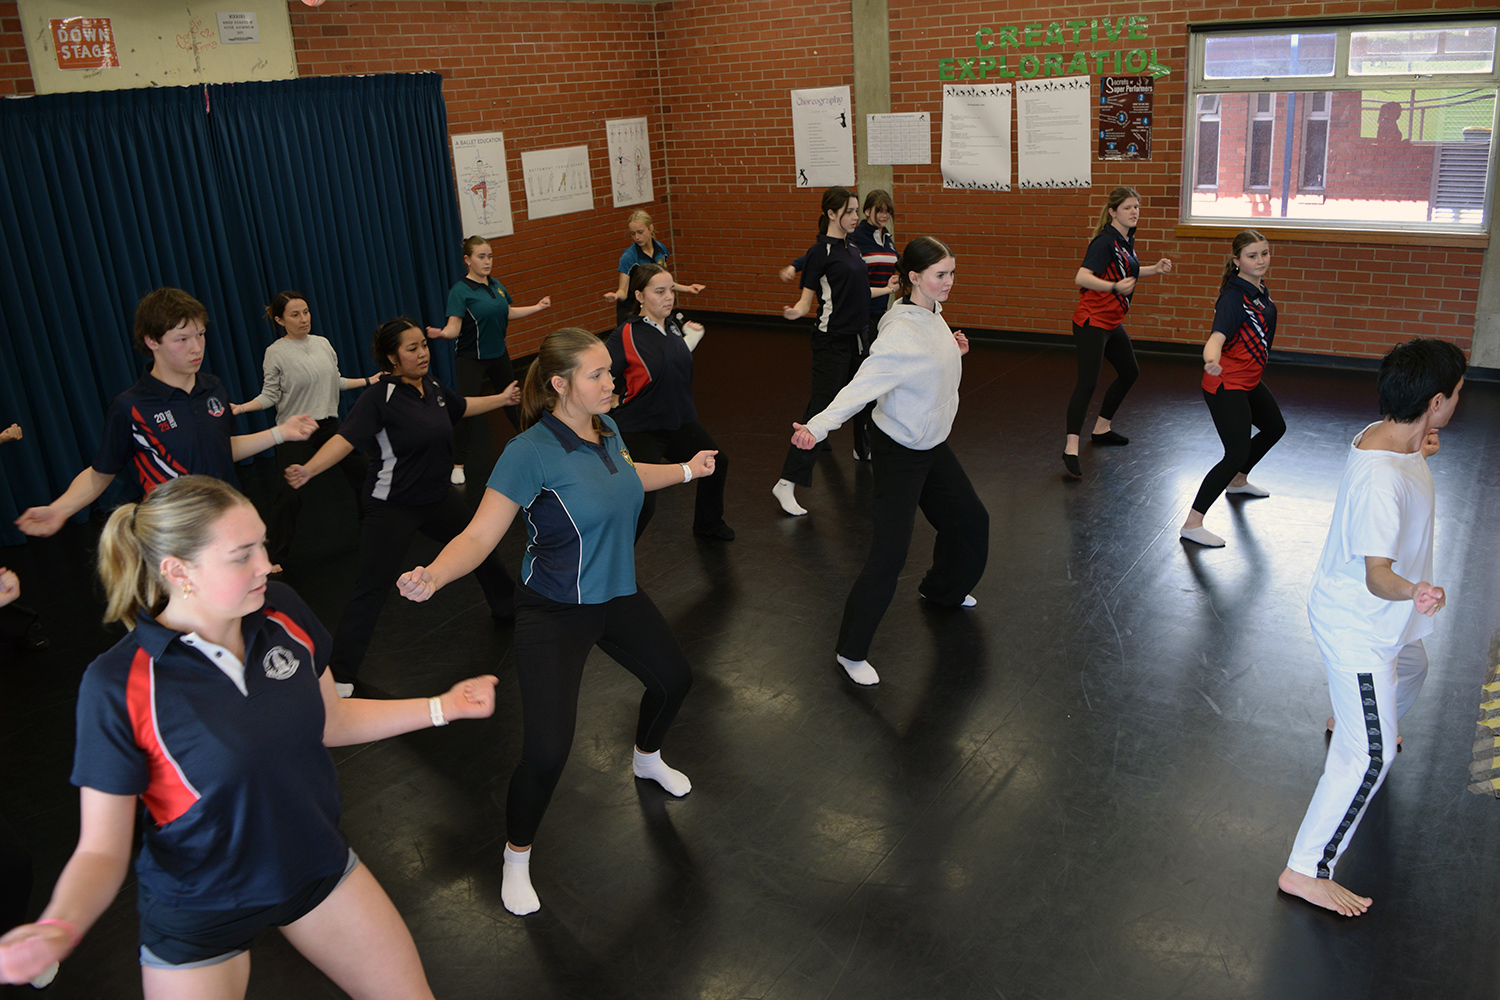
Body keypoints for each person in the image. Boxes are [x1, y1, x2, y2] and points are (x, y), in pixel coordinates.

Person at [0, 475, 498, 998]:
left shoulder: (282, 610)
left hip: (312, 864)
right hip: (200, 907)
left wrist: (442, 707)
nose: (265, 563)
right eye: (242, 555)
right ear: (178, 571)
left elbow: (330, 719)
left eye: (262, 543)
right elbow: (101, 850)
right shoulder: (118, 685)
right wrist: (59, 926)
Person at [396, 327, 712, 916]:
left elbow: (627, 474)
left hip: (617, 595)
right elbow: (479, 535)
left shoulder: (607, 427)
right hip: (554, 611)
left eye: (610, 371)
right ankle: (516, 857)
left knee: (674, 680)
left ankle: (646, 756)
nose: (612, 381)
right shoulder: (528, 452)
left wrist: (687, 471)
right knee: (545, 753)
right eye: (598, 374)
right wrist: (434, 575)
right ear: (561, 384)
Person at [1277, 338, 1466, 918]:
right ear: (1435, 402)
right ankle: (1305, 869)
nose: (1458, 401)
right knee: (1370, 757)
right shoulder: (1382, 481)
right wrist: (1417, 591)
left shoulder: (1388, 435)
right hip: (1359, 622)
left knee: (1415, 665)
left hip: (1384, 622)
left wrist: (1419, 449)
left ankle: (1355, 714)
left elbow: (1400, 459)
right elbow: (1378, 575)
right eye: (1457, 393)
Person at [790, 237, 988, 686]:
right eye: (941, 275)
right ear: (913, 277)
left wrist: (952, 350)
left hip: (932, 444)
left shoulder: (930, 312)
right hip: (901, 451)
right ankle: (850, 651)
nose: (950, 282)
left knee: (971, 521)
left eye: (952, 273)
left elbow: (927, 359)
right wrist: (816, 428)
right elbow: (859, 389)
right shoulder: (898, 335)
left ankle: (942, 590)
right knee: (889, 555)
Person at [285, 318, 517, 695]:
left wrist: (501, 399)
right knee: (371, 588)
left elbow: (460, 407)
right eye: (412, 348)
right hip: (392, 506)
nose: (423, 353)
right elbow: (345, 440)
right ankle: (340, 674)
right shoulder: (379, 397)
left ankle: (508, 605)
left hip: (437, 498)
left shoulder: (433, 387)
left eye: (423, 345)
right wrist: (309, 469)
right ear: (392, 357)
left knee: (480, 547)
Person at [15, 288, 317, 537]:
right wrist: (60, 509)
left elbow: (221, 448)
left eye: (200, 335)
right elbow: (100, 473)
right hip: (177, 534)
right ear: (152, 341)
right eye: (182, 339)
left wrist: (281, 432)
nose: (196, 347)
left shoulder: (212, 387)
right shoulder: (131, 407)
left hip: (230, 519)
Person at [230, 291, 381, 567]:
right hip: (295, 430)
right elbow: (270, 395)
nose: (303, 319)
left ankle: (372, 529)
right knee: (289, 493)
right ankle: (274, 556)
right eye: (295, 315)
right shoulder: (275, 353)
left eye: (306, 312)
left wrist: (369, 381)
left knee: (365, 474)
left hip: (329, 425)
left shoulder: (323, 343)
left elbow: (336, 381)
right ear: (280, 320)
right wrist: (242, 408)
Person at [774, 187, 900, 516]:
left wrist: (886, 289)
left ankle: (864, 450)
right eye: (850, 211)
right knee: (821, 409)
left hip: (858, 337)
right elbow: (806, 300)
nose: (856, 217)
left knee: (867, 397)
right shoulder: (820, 252)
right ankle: (787, 482)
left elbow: (860, 291)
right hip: (831, 342)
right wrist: (796, 312)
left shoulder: (852, 248)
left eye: (857, 211)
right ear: (831, 214)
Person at [607, 263, 733, 541]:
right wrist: (609, 399)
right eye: (660, 291)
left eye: (671, 291)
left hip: (678, 423)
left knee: (715, 463)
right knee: (643, 504)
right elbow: (604, 373)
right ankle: (613, 559)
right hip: (641, 428)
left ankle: (708, 524)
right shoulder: (625, 334)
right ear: (639, 296)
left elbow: (670, 363)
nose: (668, 297)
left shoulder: (672, 325)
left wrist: (692, 337)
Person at [1180, 231, 1286, 547]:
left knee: (1274, 427)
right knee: (1235, 452)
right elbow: (1216, 337)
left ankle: (1238, 481)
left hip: (1248, 379)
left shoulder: (1258, 290)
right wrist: (1211, 360)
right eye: (1252, 256)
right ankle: (1192, 523)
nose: (1261, 260)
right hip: (1226, 383)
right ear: (1237, 260)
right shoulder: (1233, 298)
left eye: (1264, 253)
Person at [1061, 187, 1173, 478]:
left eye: (1137, 207)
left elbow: (1127, 270)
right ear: (1112, 212)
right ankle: (1070, 447)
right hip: (1092, 322)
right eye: (1127, 207)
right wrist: (1113, 287)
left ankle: (1102, 428)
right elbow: (1081, 277)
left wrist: (1154, 269)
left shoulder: (1125, 239)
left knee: (1129, 372)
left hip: (1111, 322)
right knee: (1087, 383)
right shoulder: (1104, 242)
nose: (1134, 212)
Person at [426, 236, 552, 485]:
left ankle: (536, 446)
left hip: (498, 354)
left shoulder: (496, 285)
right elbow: (453, 328)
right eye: (481, 257)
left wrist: (537, 307)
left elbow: (507, 312)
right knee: (466, 410)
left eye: (490, 256)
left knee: (515, 402)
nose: (487, 262)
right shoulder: (460, 291)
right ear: (467, 260)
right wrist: (442, 334)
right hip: (471, 358)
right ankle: (458, 464)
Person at [602, 210, 704, 327]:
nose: (637, 237)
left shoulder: (661, 250)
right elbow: (623, 292)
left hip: (652, 306)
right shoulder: (628, 257)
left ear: (650, 228)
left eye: (640, 232)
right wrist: (616, 296)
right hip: (632, 309)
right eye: (633, 234)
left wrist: (688, 288)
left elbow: (665, 282)